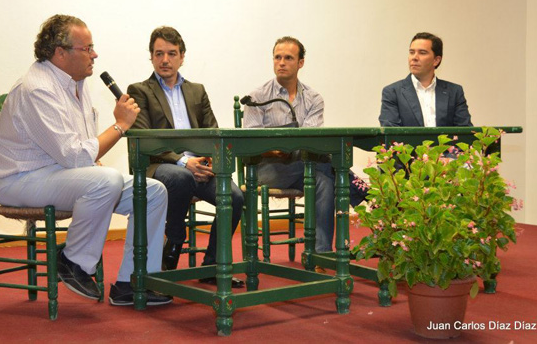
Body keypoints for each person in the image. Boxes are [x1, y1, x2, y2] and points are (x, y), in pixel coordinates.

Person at [0, 15, 171, 307]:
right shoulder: (37, 88)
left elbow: (78, 151)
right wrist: (120, 125)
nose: (94, 54)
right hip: (19, 180)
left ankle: (133, 282)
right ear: (60, 52)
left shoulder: (76, 83)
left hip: (58, 173)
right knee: (106, 180)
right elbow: (76, 155)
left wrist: (92, 165)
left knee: (152, 191)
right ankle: (73, 261)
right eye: (87, 48)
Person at [127, 26, 245, 288]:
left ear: (182, 57)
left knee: (236, 197)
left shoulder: (197, 91)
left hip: (198, 167)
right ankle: (175, 241)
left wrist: (210, 162)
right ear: (151, 57)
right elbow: (147, 138)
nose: (165, 60)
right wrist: (184, 162)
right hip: (159, 164)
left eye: (171, 53)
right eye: (159, 54)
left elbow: (213, 132)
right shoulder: (139, 91)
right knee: (180, 177)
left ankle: (213, 266)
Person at [242, 36, 367, 260]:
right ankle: (365, 194)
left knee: (325, 180)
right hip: (267, 169)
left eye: (288, 58)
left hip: (304, 167)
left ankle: (320, 254)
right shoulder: (256, 97)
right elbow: (249, 145)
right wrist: (273, 150)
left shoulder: (313, 98)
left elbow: (310, 140)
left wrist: (294, 145)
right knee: (329, 167)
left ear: (301, 63)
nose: (281, 62)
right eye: (277, 57)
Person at [379, 32, 472, 127]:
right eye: (412, 52)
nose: (414, 57)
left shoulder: (454, 92)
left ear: (436, 60)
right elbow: (391, 133)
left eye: (422, 53)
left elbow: (464, 131)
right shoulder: (392, 92)